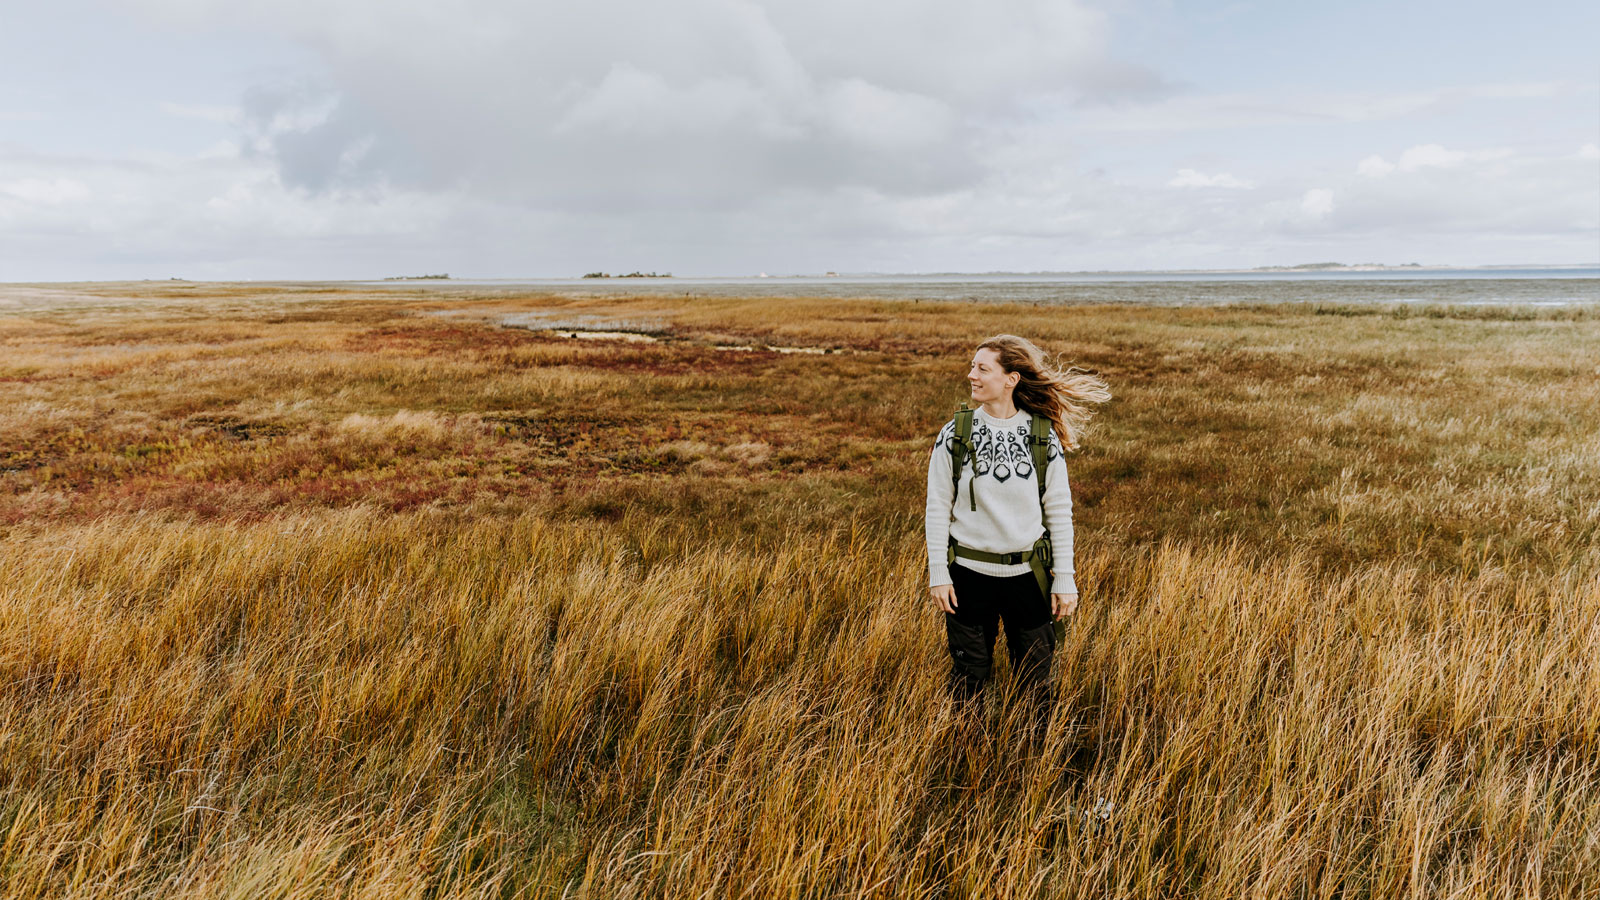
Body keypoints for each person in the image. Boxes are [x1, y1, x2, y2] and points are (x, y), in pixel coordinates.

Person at [925, 334, 1110, 709]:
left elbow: (1059, 511)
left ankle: (1033, 745)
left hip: (1028, 577)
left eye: (982, 368)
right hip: (968, 577)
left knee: (1036, 683)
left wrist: (1065, 577)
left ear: (1011, 379)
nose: (972, 375)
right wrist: (938, 573)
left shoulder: (1042, 436)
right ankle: (968, 742)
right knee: (968, 679)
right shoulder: (954, 434)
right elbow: (937, 506)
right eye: (973, 367)